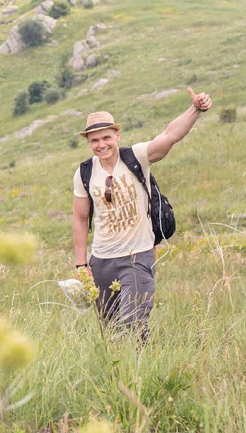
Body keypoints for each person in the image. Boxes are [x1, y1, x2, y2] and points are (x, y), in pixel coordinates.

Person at [72, 87, 212, 339]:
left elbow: (169, 135)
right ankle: (123, 376)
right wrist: (82, 263)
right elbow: (80, 218)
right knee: (111, 330)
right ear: (88, 142)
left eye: (106, 137)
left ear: (117, 135)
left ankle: (139, 372)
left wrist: (195, 109)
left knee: (133, 324)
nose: (101, 144)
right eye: (94, 140)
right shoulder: (84, 172)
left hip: (137, 256)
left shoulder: (136, 156)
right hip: (101, 261)